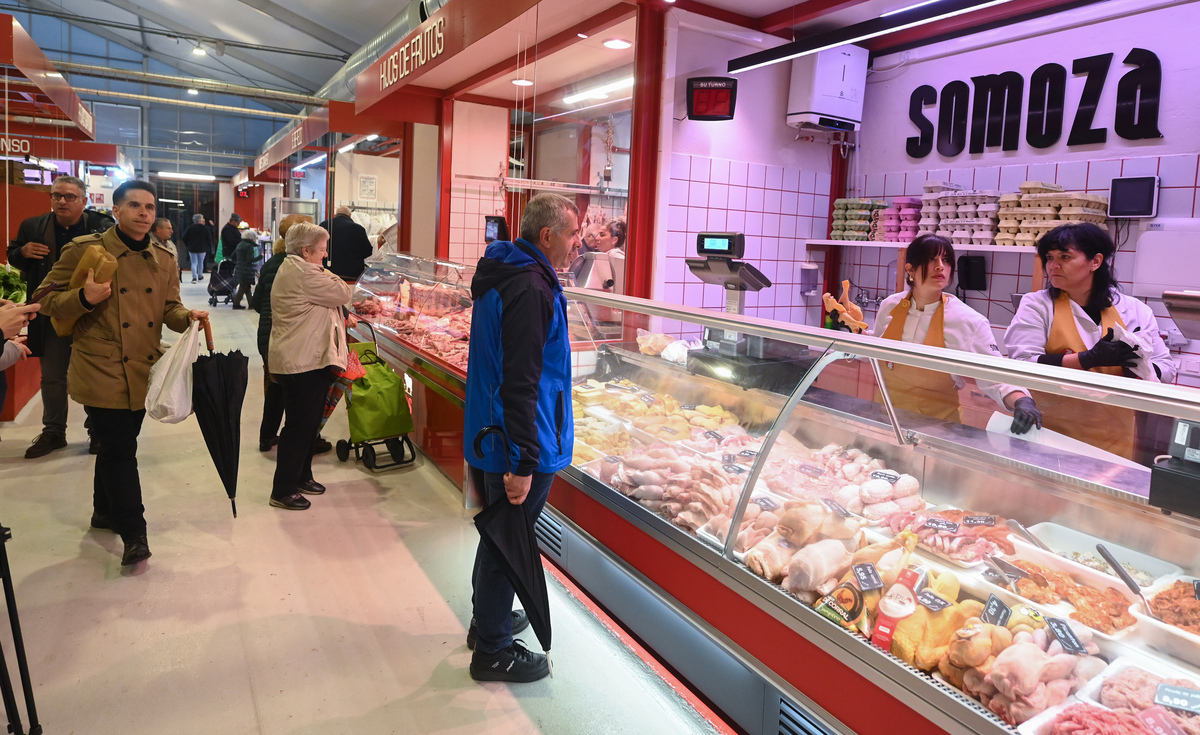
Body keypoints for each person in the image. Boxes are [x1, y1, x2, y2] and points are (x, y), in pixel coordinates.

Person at [38, 180, 208, 566]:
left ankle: (103, 511)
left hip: (143, 367)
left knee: (117, 444)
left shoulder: (164, 258)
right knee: (121, 449)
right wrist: (84, 297)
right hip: (101, 365)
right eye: (134, 205)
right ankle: (134, 532)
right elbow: (46, 302)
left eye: (149, 207)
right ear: (116, 211)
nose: (144, 213)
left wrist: (188, 318)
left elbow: (169, 308)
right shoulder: (85, 251)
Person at [463, 193, 580, 683]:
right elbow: (522, 381)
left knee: (499, 536)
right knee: (506, 543)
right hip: (515, 438)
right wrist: (524, 461)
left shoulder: (505, 269)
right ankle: (492, 651)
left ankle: (485, 622)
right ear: (547, 236)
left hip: (493, 431)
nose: (578, 245)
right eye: (574, 235)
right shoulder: (532, 289)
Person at [1005, 222, 1176, 459]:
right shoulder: (1037, 305)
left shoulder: (1135, 310)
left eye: (1065, 256)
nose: (1053, 266)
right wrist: (1088, 359)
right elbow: (1023, 362)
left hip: (1114, 434)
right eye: (1049, 257)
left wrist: (1135, 367)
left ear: (1095, 262)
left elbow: (1165, 368)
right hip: (1050, 430)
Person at [838, 235, 1042, 434]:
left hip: (937, 431)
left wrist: (1021, 400)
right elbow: (875, 348)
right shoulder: (890, 305)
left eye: (946, 260)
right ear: (910, 268)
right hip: (886, 421)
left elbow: (995, 375)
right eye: (930, 259)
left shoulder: (968, 320)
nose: (940, 266)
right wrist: (852, 332)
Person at [7, 175, 114, 458]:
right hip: (51, 310)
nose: (61, 201)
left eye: (69, 196)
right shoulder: (34, 226)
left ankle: (98, 432)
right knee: (53, 376)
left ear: (84, 200)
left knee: (94, 375)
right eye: (56, 196)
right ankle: (54, 432)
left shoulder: (102, 227)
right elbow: (12, 254)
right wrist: (23, 251)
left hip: (92, 313)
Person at [268, 222, 354, 511]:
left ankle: (303, 476)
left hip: (307, 357)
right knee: (298, 427)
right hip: (301, 361)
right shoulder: (305, 273)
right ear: (306, 251)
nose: (325, 255)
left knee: (308, 426)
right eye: (321, 249)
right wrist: (328, 273)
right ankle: (283, 490)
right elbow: (342, 292)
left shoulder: (299, 268)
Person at [252, 214, 309, 452]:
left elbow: (256, 302)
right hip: (291, 337)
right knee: (299, 394)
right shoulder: (301, 267)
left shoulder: (271, 263)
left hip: (267, 336)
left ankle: (267, 436)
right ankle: (300, 442)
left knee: (274, 388)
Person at [321, 205, 374, 281]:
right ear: (350, 215)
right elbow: (367, 252)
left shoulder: (324, 225)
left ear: (335, 215)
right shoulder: (358, 228)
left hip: (328, 274)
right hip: (351, 275)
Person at [231, 228, 258, 310]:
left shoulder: (240, 244)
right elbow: (250, 260)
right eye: (255, 238)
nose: (255, 239)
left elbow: (233, 256)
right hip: (246, 270)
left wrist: (239, 262)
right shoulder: (249, 246)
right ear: (251, 238)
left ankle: (251, 304)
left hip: (239, 268)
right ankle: (236, 303)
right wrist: (260, 257)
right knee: (243, 287)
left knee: (247, 287)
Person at [182, 214, 212, 283]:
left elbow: (184, 237)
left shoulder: (190, 227)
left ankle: (194, 277)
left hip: (192, 248)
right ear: (200, 220)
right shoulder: (205, 228)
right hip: (202, 248)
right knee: (200, 262)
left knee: (194, 262)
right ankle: (200, 276)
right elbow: (209, 238)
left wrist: (188, 244)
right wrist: (208, 246)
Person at [149, 218, 180, 283]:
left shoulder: (171, 245)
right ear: (158, 229)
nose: (172, 231)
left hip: (170, 285)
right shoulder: (147, 244)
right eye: (168, 228)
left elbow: (176, 266)